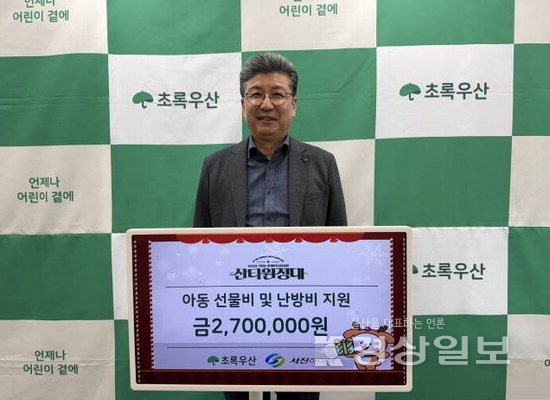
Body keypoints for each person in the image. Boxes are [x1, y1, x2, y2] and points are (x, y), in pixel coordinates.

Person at [194, 52, 347, 400]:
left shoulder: (322, 164)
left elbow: (340, 242)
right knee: (238, 395)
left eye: (278, 94)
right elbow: (200, 243)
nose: (266, 104)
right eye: (256, 94)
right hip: (235, 311)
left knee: (300, 397)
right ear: (242, 104)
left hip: (302, 310)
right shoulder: (215, 167)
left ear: (294, 105)